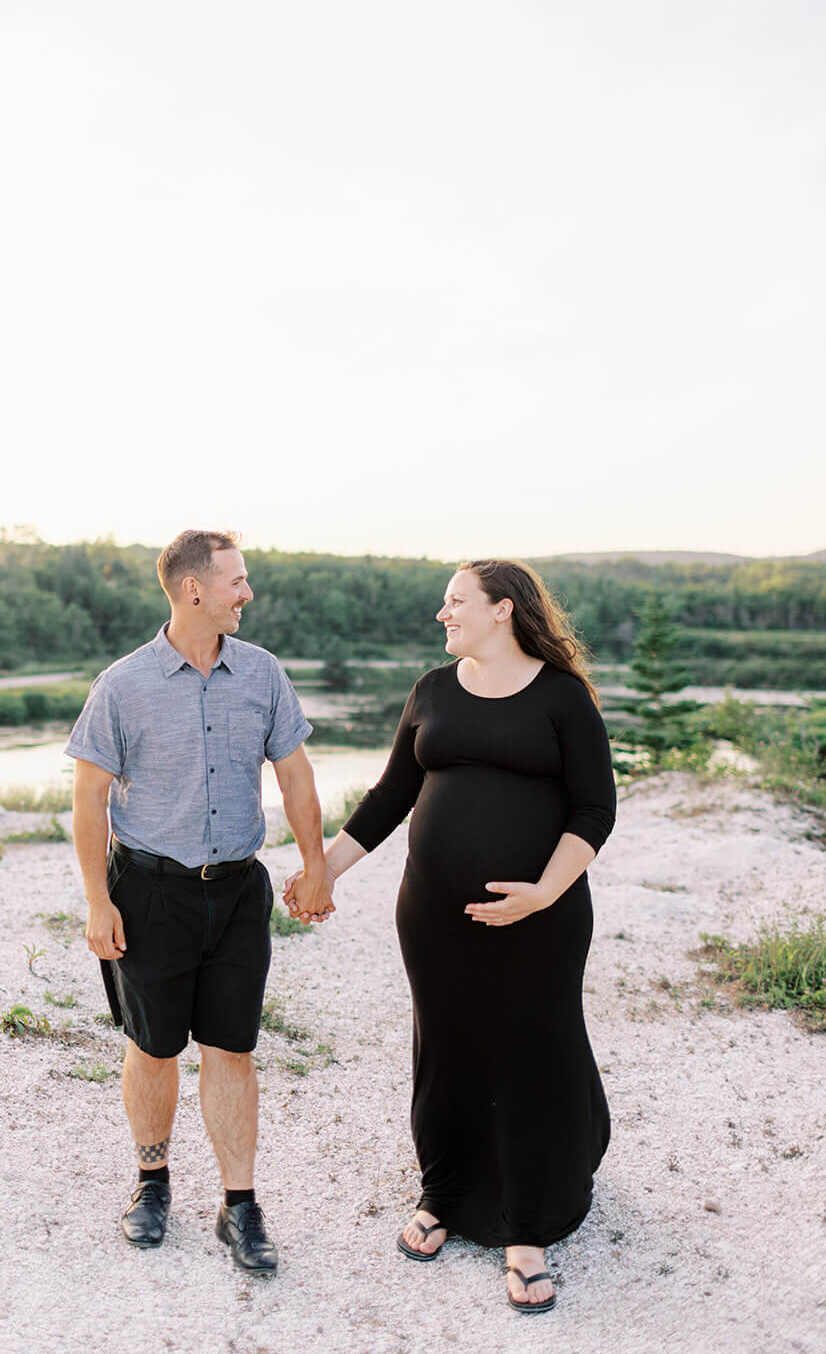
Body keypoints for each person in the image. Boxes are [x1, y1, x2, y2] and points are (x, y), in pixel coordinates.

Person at [286, 558, 615, 1314]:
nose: (443, 613)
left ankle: (529, 1227)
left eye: (455, 601)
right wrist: (322, 871)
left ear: (503, 609)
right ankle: (444, 1192)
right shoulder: (431, 691)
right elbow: (390, 796)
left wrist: (540, 894)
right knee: (446, 1044)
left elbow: (594, 810)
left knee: (532, 1049)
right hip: (431, 914)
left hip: (543, 914)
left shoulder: (560, 697)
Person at [67, 529, 335, 1276]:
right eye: (236, 581)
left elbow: (296, 776)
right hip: (148, 892)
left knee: (233, 1049)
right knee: (153, 1048)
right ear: (194, 589)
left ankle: (238, 1205)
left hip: (238, 893)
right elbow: (89, 799)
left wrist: (316, 867)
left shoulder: (263, 674)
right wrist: (97, 901)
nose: (246, 593)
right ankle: (151, 1186)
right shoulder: (122, 684)